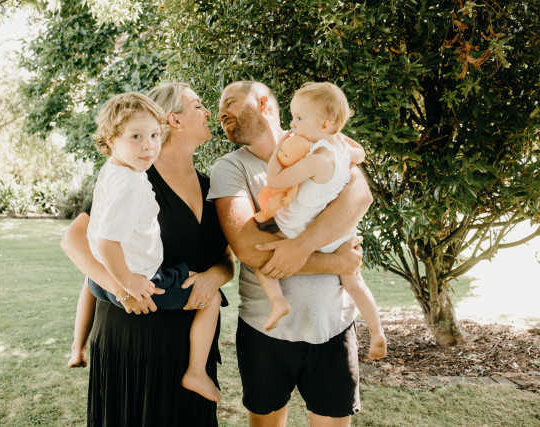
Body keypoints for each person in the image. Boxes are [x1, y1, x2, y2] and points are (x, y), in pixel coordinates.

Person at [61, 83, 234, 426]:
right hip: (132, 340)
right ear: (174, 120)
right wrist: (122, 287)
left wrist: (214, 277)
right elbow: (75, 240)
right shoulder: (132, 176)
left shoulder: (211, 187)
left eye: (151, 135)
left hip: (189, 350)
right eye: (198, 105)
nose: (209, 113)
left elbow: (227, 260)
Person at [208, 80, 372, 427]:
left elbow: (360, 195)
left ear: (264, 103)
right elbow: (250, 249)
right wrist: (334, 261)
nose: (220, 113)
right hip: (265, 331)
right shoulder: (231, 168)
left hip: (333, 324)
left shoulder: (323, 142)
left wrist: (301, 244)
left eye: (230, 102)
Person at [252, 81, 387, 360]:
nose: (292, 124)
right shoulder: (341, 149)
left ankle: (278, 302)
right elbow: (360, 153)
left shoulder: (318, 160)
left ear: (324, 125)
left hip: (297, 227)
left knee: (261, 260)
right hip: (335, 234)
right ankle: (377, 332)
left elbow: (276, 180)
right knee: (354, 283)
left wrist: (278, 150)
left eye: (299, 118)